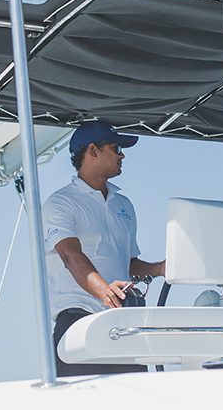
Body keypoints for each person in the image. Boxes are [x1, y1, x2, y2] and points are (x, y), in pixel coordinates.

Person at [43, 121, 166, 377]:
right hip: (78, 323)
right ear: (93, 151)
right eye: (116, 147)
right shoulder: (61, 203)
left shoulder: (124, 205)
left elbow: (128, 263)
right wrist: (104, 291)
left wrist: (161, 268)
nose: (122, 155)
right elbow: (70, 254)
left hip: (122, 323)